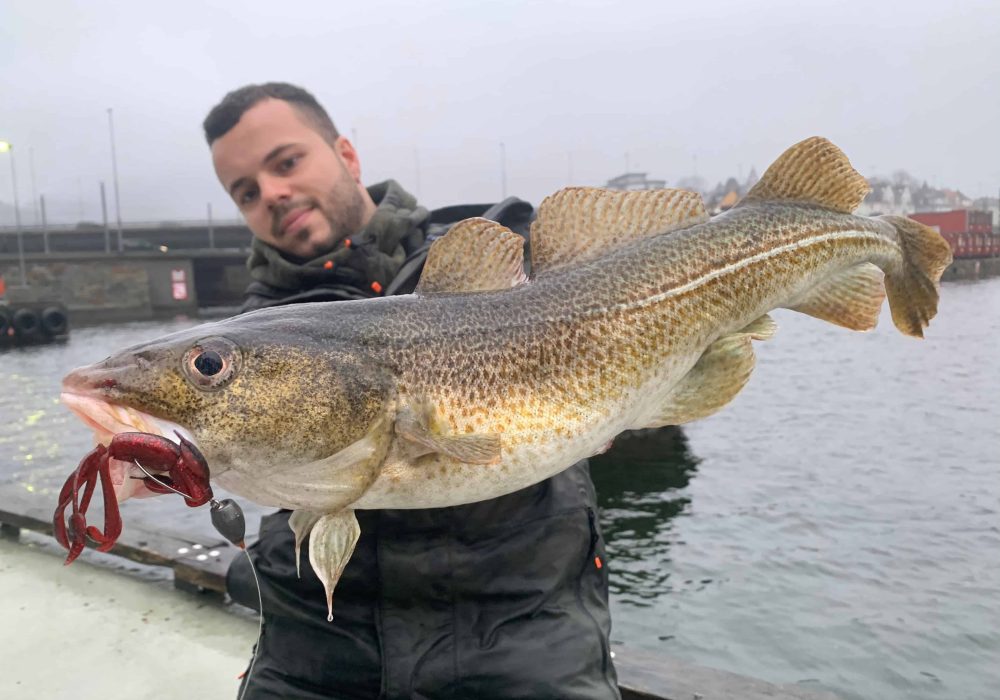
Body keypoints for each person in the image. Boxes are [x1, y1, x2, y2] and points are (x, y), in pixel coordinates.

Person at [204, 82, 619, 700]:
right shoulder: (248, 334)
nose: (271, 194)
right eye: (246, 192)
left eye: (286, 162)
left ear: (347, 155)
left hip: (521, 645)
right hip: (313, 658)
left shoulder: (501, 247)